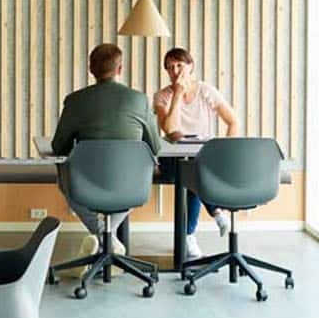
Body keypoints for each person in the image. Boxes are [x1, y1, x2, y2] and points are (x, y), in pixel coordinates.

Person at [52, 43, 161, 260]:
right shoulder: (139, 100)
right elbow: (154, 147)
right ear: (120, 69)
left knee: (63, 177)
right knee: (140, 178)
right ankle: (108, 236)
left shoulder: (75, 101)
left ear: (91, 69)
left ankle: (102, 234)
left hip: (87, 182)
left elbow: (59, 147)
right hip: (131, 184)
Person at [151, 47, 240, 258]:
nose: (175, 71)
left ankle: (189, 235)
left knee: (194, 173)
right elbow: (171, 130)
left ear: (190, 67)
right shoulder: (162, 97)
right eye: (170, 67)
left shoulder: (206, 91)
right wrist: (178, 95)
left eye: (180, 65)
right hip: (172, 161)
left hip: (203, 158)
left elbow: (233, 121)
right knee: (192, 172)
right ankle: (215, 213)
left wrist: (225, 152)